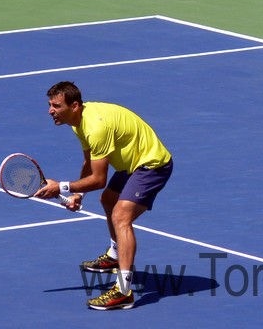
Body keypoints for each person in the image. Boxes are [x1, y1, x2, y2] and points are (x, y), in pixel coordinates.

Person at [35, 81, 173, 310]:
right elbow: (89, 164)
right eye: (50, 105)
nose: (50, 111)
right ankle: (116, 254)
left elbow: (99, 180)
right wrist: (77, 194)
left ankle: (123, 292)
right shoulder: (77, 123)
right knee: (108, 200)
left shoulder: (95, 127)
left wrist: (61, 188)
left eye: (56, 106)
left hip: (152, 164)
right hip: (130, 163)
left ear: (75, 105)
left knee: (121, 216)